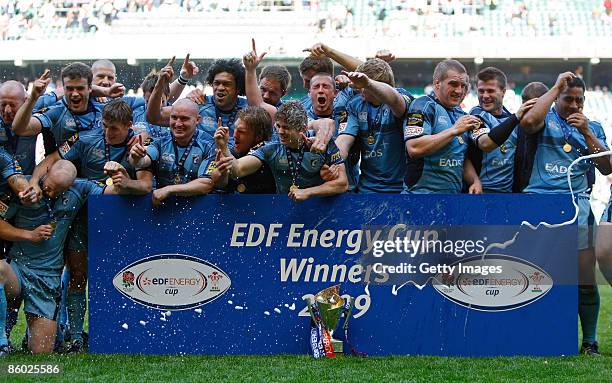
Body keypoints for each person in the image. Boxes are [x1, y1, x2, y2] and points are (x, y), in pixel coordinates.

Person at [521, 72, 612, 356]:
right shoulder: (543, 119)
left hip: (579, 207)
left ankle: (590, 342)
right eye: (567, 99)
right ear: (557, 98)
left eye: (579, 100)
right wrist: (555, 87)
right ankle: (536, 336)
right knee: (534, 276)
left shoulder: (593, 126)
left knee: (584, 276)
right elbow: (528, 123)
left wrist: (587, 132)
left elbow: (608, 167)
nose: (574, 105)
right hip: (539, 204)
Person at [0, 160, 113, 354]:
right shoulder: (23, 186)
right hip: (17, 269)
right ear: (47, 172)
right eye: (48, 187)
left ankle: (38, 331)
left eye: (57, 191)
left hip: (47, 278)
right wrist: (29, 234)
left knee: (42, 352)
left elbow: (113, 193)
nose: (50, 194)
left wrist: (122, 176)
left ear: (70, 186)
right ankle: (2, 340)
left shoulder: (80, 189)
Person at [217, 101, 347, 201]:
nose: (280, 132)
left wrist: (307, 192)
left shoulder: (321, 142)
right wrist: (223, 147)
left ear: (302, 127)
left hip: (321, 208)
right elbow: (238, 170)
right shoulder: (271, 146)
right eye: (278, 126)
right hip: (284, 209)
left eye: (286, 128)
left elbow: (342, 183)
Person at [404, 60, 483, 194]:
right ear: (437, 83)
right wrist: (454, 130)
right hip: (420, 197)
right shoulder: (422, 105)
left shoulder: (462, 115)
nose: (459, 90)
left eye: (464, 86)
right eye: (453, 84)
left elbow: (459, 155)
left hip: (452, 200)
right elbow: (414, 147)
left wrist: (475, 180)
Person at [335, 59, 412, 193]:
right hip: (367, 190)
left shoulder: (402, 97)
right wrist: (332, 161)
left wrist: (369, 83)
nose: (360, 89)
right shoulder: (354, 105)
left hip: (401, 190)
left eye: (363, 85)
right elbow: (343, 141)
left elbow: (394, 100)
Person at [130, 99, 220, 207]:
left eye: (184, 119)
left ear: (197, 120)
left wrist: (169, 190)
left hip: (198, 208)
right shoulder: (161, 141)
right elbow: (142, 161)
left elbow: (206, 183)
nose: (178, 124)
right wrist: (136, 156)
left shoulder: (209, 144)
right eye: (174, 117)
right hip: (163, 208)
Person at [468, 67, 537, 193]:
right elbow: (485, 143)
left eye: (490, 91)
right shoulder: (475, 114)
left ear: (503, 92)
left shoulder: (512, 120)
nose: (485, 96)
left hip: (507, 195)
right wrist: (516, 118)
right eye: (481, 91)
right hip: (479, 193)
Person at [147, 58, 247, 143]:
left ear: (238, 88)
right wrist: (160, 83)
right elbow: (154, 117)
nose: (220, 88)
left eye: (226, 84)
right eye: (216, 83)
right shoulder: (199, 103)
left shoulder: (247, 109)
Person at [215, 106, 276, 194]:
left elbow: (238, 170)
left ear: (258, 137)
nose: (235, 135)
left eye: (242, 132)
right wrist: (222, 173)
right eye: (235, 128)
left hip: (264, 205)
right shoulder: (232, 150)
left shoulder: (267, 149)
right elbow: (217, 183)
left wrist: (223, 147)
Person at [0, 81, 38, 175]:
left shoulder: (35, 115)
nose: (7, 110)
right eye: (3, 104)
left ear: (25, 102)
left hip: (28, 181)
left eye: (12, 105)